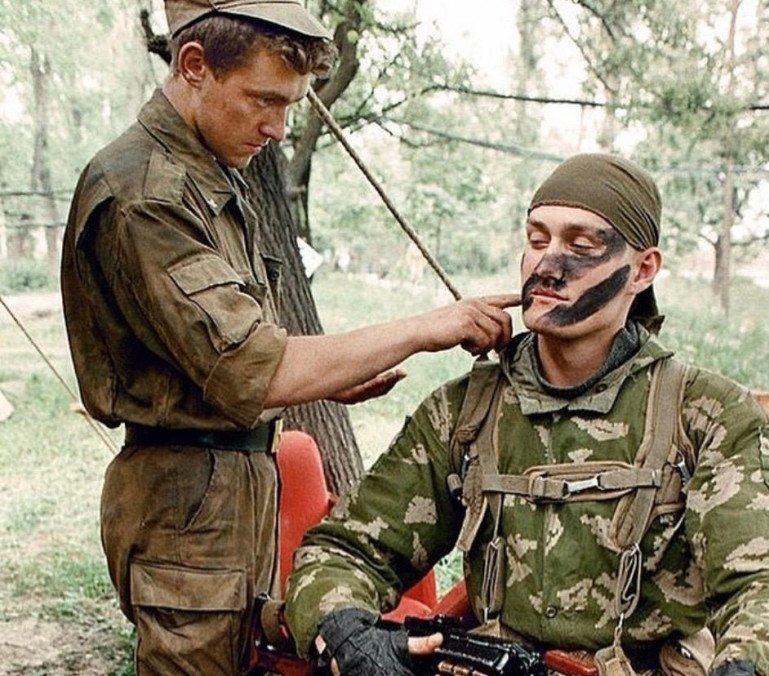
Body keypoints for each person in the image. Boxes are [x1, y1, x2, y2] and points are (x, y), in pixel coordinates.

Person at [59, 1, 515, 673]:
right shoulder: (146, 195)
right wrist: (429, 327)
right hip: (186, 508)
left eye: (289, 107)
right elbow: (258, 368)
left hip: (224, 495)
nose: (276, 127)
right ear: (194, 67)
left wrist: (329, 373)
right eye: (263, 101)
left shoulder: (204, 177)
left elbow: (223, 357)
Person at [283, 154, 769, 676]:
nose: (547, 265)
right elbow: (346, 549)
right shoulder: (466, 412)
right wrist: (345, 632)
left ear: (643, 269)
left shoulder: (707, 415)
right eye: (537, 239)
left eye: (581, 244)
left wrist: (751, 665)